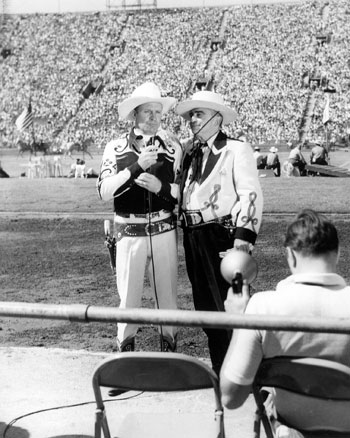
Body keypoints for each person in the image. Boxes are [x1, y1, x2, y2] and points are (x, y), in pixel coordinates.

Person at [220, 209, 350, 436]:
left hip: (291, 428)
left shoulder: (263, 308)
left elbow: (230, 397)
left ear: (290, 255)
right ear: (338, 253)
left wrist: (239, 322)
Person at [175, 90, 263, 375]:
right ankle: (222, 368)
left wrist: (244, 236)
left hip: (221, 235)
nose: (191, 120)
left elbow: (250, 193)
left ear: (217, 118)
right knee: (206, 308)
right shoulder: (190, 153)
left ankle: (249, 370)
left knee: (233, 303)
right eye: (190, 115)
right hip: (193, 236)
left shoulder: (236, 149)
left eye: (198, 114)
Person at [97, 82, 182, 352]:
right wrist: (136, 168)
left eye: (158, 112)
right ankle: (124, 353)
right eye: (147, 112)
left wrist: (162, 189)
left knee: (167, 297)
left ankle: (169, 353)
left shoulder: (172, 148)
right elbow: (104, 191)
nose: (154, 117)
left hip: (163, 230)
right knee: (128, 298)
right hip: (128, 232)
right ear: (135, 114)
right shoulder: (116, 148)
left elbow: (183, 192)